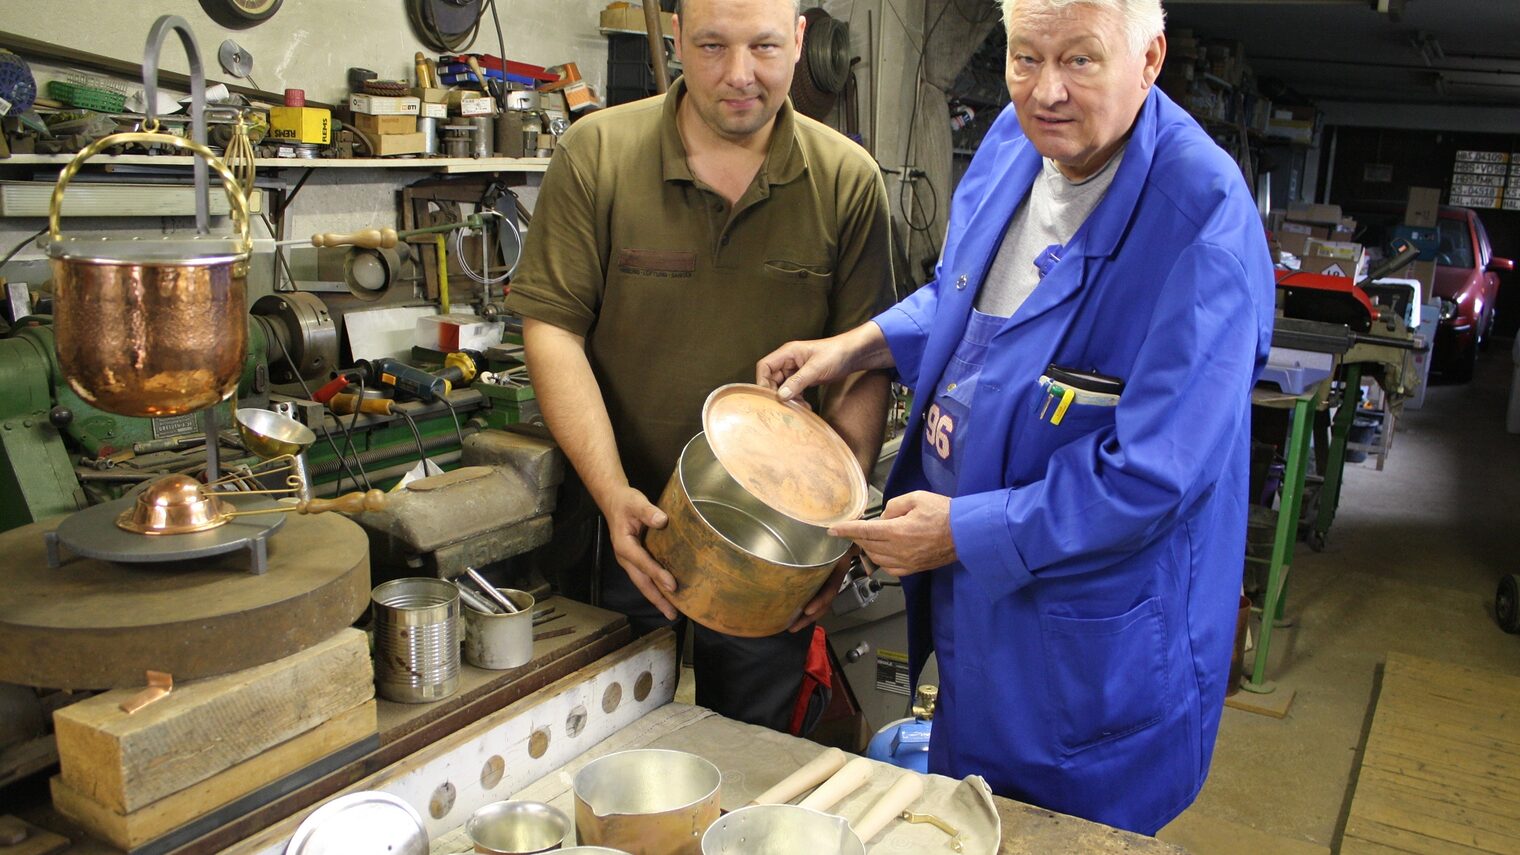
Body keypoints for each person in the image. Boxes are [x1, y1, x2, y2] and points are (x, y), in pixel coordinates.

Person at [757, 0, 1274, 835]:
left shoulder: (1202, 227)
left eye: (1080, 60)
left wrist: (962, 531)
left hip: (1094, 650)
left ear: (1150, 59)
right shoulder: (1014, 146)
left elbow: (1151, 474)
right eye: (1025, 57)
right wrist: (861, 344)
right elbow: (970, 298)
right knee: (970, 821)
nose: (1047, 91)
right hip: (984, 617)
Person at [504, 0, 892, 733]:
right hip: (615, 526)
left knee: (753, 755)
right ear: (677, 37)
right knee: (599, 744)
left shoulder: (848, 181)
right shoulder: (597, 153)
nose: (739, 76)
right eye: (712, 46)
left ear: (801, 40)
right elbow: (552, 330)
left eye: (766, 48)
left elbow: (864, 364)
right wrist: (613, 492)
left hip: (771, 545)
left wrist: (838, 525)